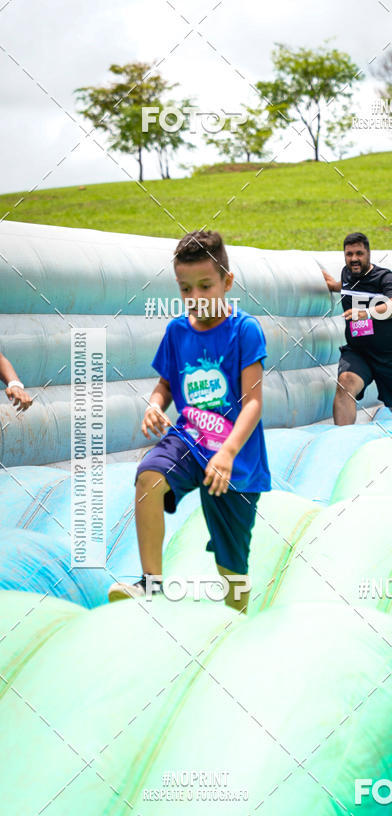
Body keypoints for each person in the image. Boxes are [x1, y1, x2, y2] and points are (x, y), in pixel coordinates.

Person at [108, 230, 271, 612]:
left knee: (232, 565)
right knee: (149, 475)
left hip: (236, 459)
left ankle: (236, 622)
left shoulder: (244, 330)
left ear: (227, 282)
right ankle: (150, 583)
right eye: (185, 289)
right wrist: (154, 404)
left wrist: (228, 452)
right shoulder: (177, 331)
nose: (195, 298)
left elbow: (253, 403)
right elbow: (165, 383)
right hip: (190, 438)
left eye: (205, 286)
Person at [322, 231, 392, 425]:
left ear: (368, 254)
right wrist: (333, 285)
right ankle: (342, 443)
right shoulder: (346, 274)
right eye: (349, 254)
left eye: (359, 254)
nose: (354, 259)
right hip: (358, 352)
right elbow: (347, 286)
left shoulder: (384, 277)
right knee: (346, 382)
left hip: (389, 355)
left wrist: (366, 313)